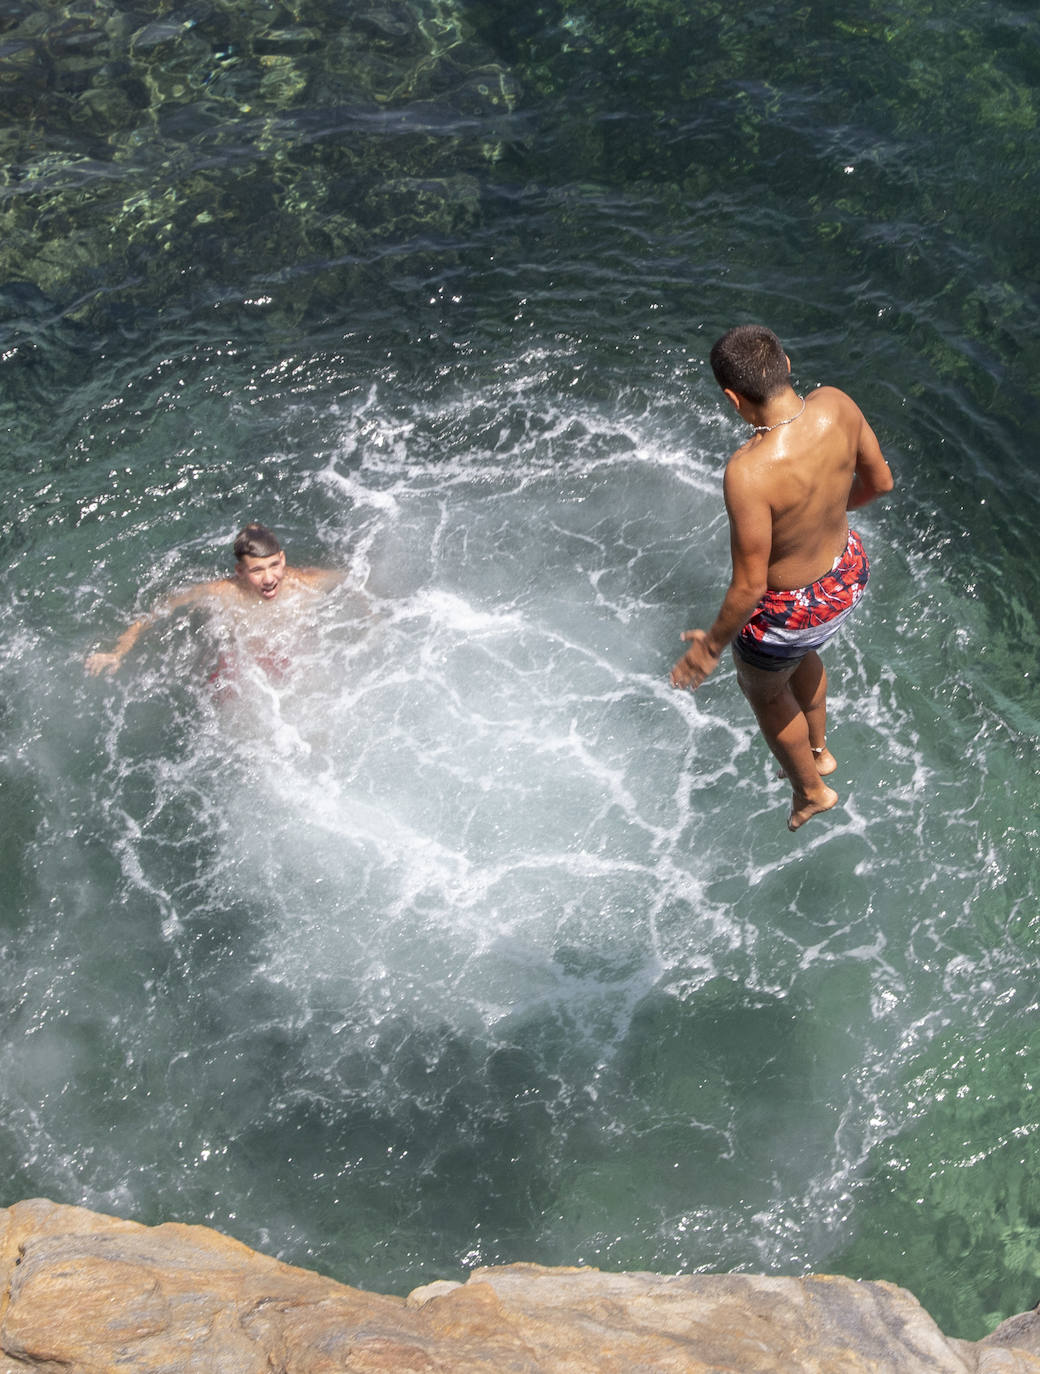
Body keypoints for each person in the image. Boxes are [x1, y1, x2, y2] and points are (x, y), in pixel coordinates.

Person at [670, 325, 894, 831]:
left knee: (766, 690)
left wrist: (708, 649)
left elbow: (749, 587)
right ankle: (818, 750)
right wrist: (825, 513)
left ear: (732, 398)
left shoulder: (749, 471)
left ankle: (811, 791)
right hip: (847, 576)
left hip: (790, 612)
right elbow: (880, 481)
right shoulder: (836, 404)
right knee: (797, 656)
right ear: (786, 364)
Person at [85, 522, 341, 678]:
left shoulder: (305, 582)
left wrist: (372, 619)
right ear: (240, 572)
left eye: (274, 566)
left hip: (296, 660)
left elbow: (356, 579)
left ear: (283, 559)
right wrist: (117, 653)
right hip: (244, 670)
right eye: (256, 570)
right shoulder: (222, 591)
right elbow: (157, 612)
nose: (269, 578)